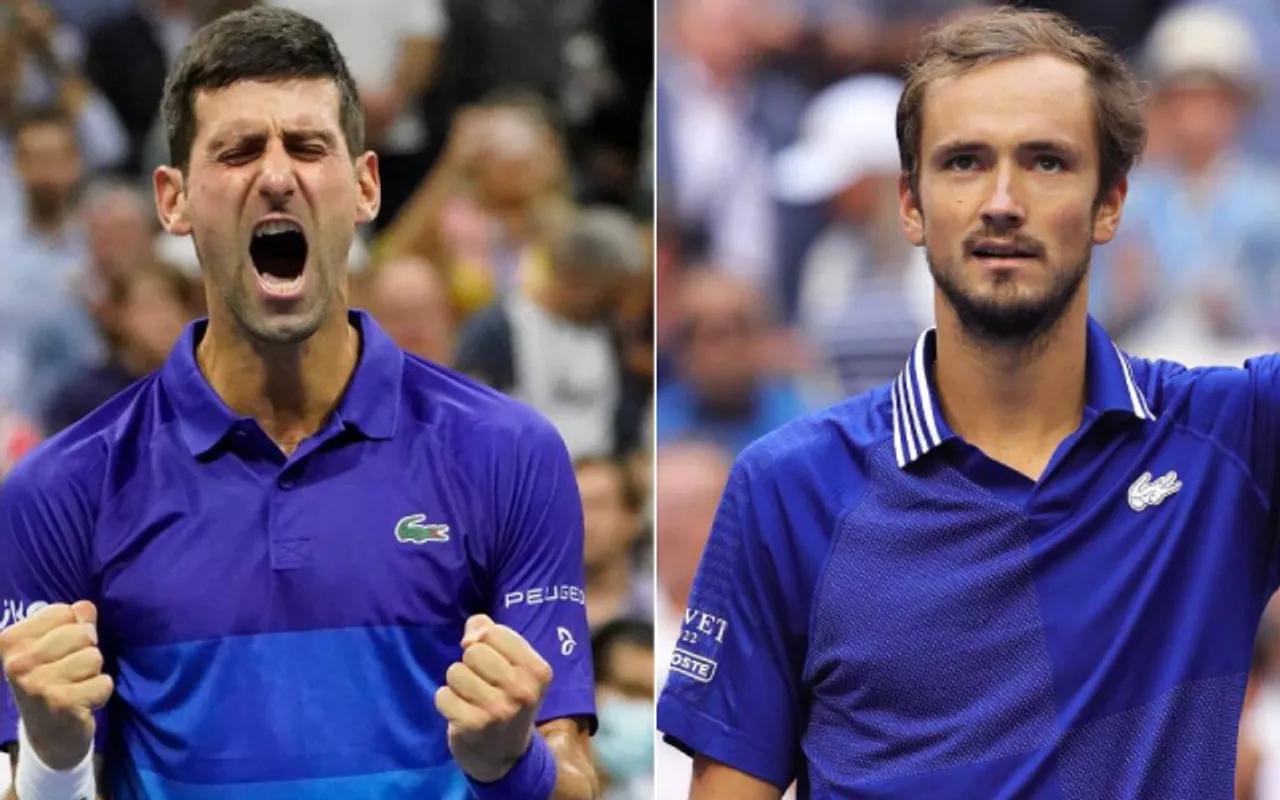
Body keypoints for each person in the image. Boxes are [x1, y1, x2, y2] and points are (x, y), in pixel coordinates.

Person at [657, 8, 1280, 799]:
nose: (1002, 201)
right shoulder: (788, 484)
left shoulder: (1237, 436)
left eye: (1048, 161)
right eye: (963, 162)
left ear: (1111, 203)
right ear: (911, 205)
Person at [0, 8, 598, 800]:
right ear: (173, 201)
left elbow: (577, 782)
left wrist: (508, 763)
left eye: (309, 146)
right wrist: (50, 759)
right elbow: (46, 783)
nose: (277, 175)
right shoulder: (57, 490)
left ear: (364, 186)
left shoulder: (508, 452)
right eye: (239, 150)